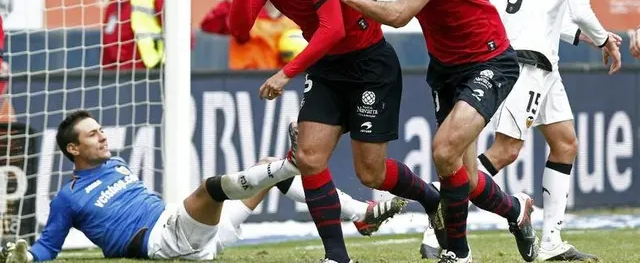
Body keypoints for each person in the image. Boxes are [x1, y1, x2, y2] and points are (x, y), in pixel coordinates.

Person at [297, 0, 537, 261]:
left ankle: (458, 253)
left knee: (444, 151)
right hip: (445, 68)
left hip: (489, 60)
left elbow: (398, 15)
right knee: (467, 178)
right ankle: (516, 210)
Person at [228, 0, 443, 263]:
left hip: (369, 65)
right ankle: (337, 256)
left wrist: (285, 73)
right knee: (309, 158)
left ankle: (430, 198)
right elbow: (239, 30)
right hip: (328, 68)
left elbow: (332, 30)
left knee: (370, 173)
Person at [0, 111, 406, 263]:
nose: (103, 137)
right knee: (212, 188)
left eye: (101, 130)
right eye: (93, 135)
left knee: (267, 169)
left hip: (199, 238)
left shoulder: (118, 163)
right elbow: (46, 248)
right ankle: (292, 162)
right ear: (74, 149)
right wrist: (26, 259)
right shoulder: (68, 198)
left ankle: (362, 215)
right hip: (163, 241)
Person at [462, 0, 620, 261]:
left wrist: (592, 36)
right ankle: (440, 211)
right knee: (504, 151)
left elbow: (562, 22)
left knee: (565, 143)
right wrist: (605, 40)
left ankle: (550, 241)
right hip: (528, 64)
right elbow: (581, 11)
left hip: (539, 61)